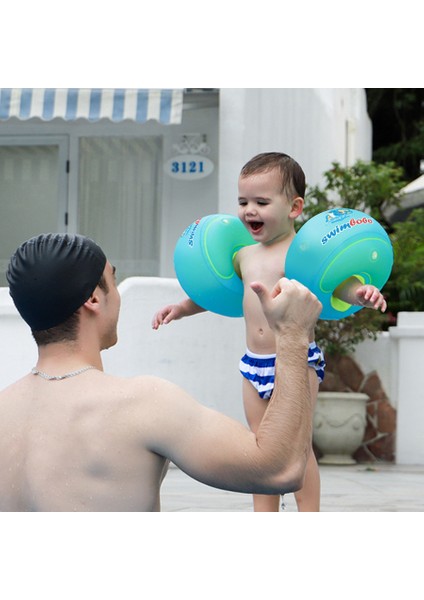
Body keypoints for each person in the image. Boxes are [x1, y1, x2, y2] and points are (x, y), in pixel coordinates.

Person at [0, 232, 323, 512]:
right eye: (114, 279)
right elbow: (279, 471)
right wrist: (294, 335)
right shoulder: (141, 404)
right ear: (94, 299)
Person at [152, 152, 387, 512]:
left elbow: (333, 285)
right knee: (261, 446)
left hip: (295, 361)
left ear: (294, 208)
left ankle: (309, 513)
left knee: (296, 444)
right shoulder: (244, 255)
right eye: (243, 201)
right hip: (254, 363)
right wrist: (182, 308)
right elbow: (220, 294)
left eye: (262, 202)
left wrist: (359, 292)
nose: (249, 211)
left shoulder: (301, 254)